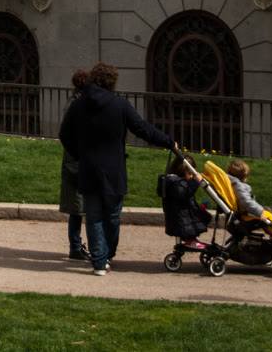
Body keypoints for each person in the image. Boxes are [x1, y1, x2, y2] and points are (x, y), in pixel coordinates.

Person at [57, 62, 179, 275]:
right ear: (112, 82)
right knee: (112, 216)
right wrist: (168, 142)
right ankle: (107, 255)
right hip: (114, 169)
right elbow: (142, 129)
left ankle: (99, 262)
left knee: (93, 217)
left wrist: (80, 155)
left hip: (89, 168)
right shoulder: (120, 105)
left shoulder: (78, 104)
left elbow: (64, 134)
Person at [58, 67, 90, 262]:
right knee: (77, 210)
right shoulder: (78, 104)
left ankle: (76, 245)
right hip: (76, 161)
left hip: (73, 160)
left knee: (77, 209)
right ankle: (75, 247)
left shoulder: (74, 101)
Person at [160, 154, 211, 256]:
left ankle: (191, 239)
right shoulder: (176, 183)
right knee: (193, 222)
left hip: (182, 214)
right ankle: (190, 240)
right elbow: (184, 192)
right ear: (181, 172)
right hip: (180, 217)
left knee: (203, 217)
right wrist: (195, 181)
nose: (191, 176)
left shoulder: (177, 182)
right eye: (190, 174)